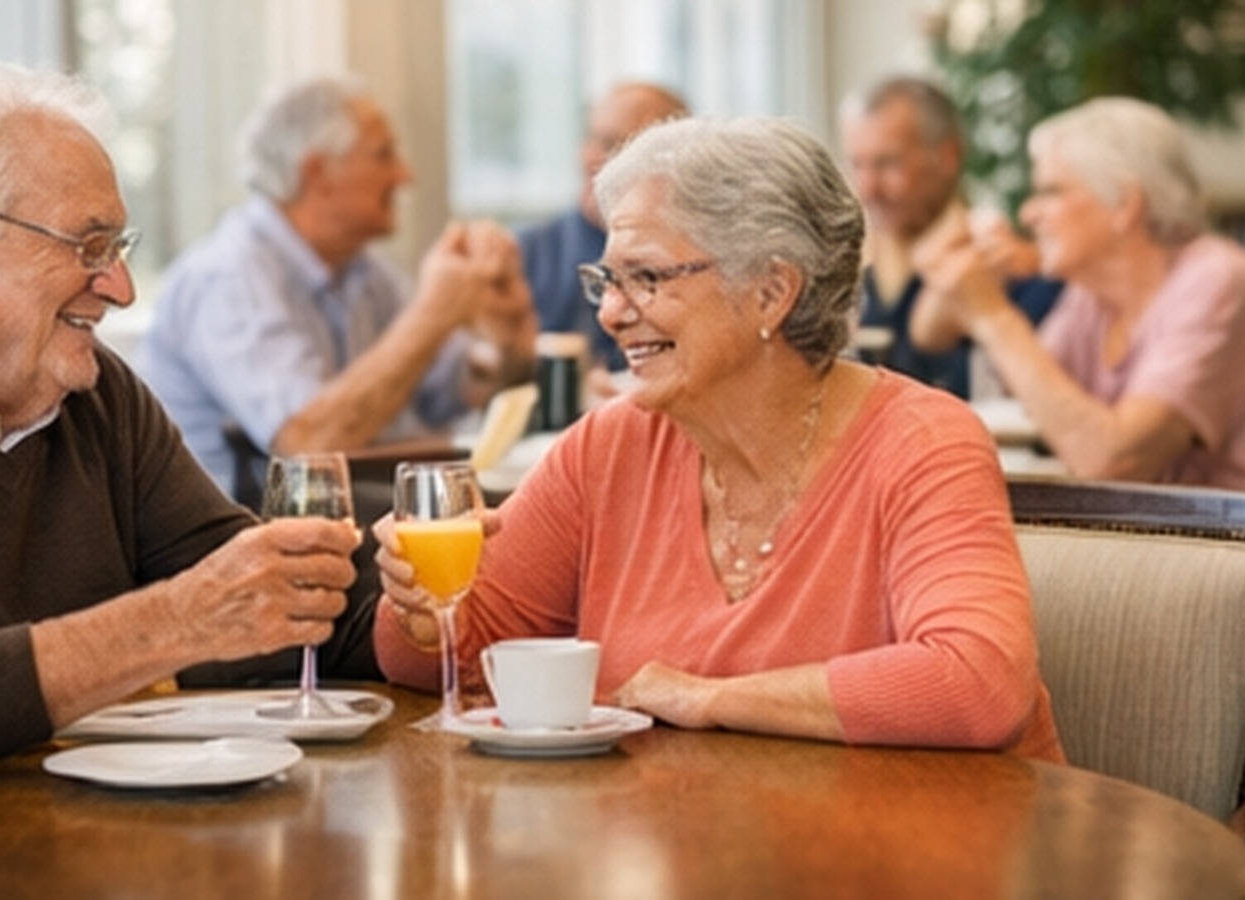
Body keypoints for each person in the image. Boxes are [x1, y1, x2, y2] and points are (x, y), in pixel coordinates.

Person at [373, 117, 1065, 761]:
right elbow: (440, 659)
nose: (611, 313)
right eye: (607, 280)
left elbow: (979, 684)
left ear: (771, 292)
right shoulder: (611, 446)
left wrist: (710, 699)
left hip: (929, 838)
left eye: (646, 278)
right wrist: (423, 613)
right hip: (692, 837)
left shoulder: (922, 442)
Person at [0, 61, 373, 788]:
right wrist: (170, 624)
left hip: (85, 842)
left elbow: (269, 611)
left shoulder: (96, 396)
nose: (120, 288)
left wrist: (426, 599)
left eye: (118, 249)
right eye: (88, 245)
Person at [911, 96, 1245, 685]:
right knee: (963, 624)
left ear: (1125, 204)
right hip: (1171, 583)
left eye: (1050, 191)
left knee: (1007, 654)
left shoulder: (1220, 284)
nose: (1029, 211)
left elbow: (1111, 457)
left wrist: (995, 317)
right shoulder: (1094, 298)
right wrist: (968, 267)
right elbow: (932, 333)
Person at [139, 77, 537, 500]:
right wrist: (434, 314)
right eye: (384, 154)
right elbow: (308, 448)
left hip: (355, 509)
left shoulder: (366, 273)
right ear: (318, 173)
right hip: (249, 525)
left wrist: (509, 336)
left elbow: (461, 393)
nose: (405, 175)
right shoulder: (226, 278)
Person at [839, 76, 1060, 397]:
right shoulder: (852, 289)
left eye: (888, 163)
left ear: (948, 157)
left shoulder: (1009, 273)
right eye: (857, 165)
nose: (868, 188)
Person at [516, 82, 688, 375]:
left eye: (616, 147)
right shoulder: (528, 254)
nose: (593, 159)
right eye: (592, 139)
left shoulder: (693, 267)